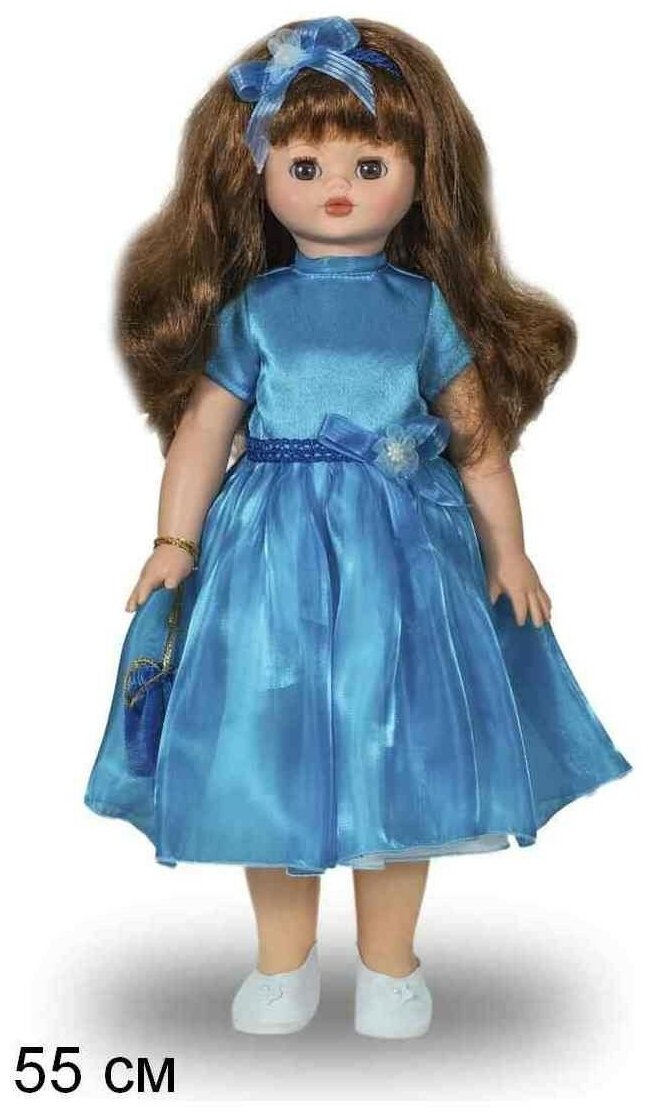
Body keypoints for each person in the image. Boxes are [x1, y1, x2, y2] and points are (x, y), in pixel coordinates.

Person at [84, 16, 632, 1039]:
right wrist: (174, 542)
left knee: (402, 740)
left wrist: (510, 550)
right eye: (305, 165)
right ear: (258, 175)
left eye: (369, 164)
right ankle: (282, 960)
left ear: (421, 179)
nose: (337, 186)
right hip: (270, 555)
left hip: (402, 557)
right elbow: (203, 433)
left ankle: (389, 964)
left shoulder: (421, 308)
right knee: (269, 736)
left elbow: (476, 443)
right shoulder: (254, 312)